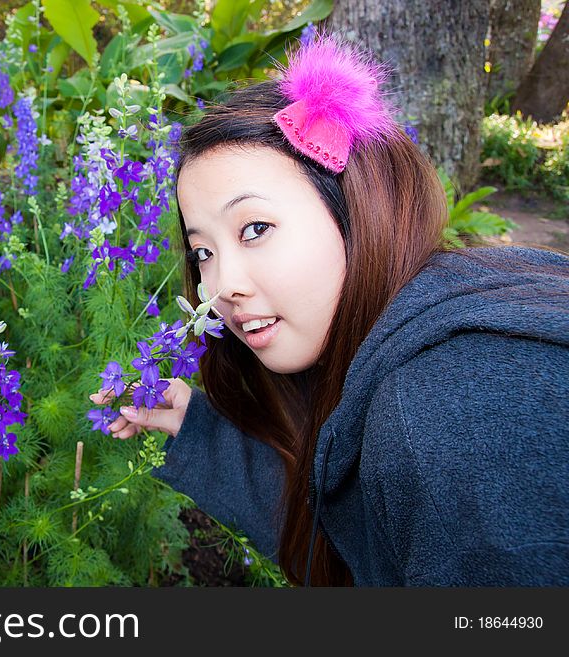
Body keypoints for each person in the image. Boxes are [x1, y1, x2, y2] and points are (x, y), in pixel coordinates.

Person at [90, 36, 569, 586]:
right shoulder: (438, 320)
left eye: (255, 229)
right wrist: (200, 431)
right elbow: (366, 540)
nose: (218, 288)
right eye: (204, 252)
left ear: (355, 210)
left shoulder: (451, 407)